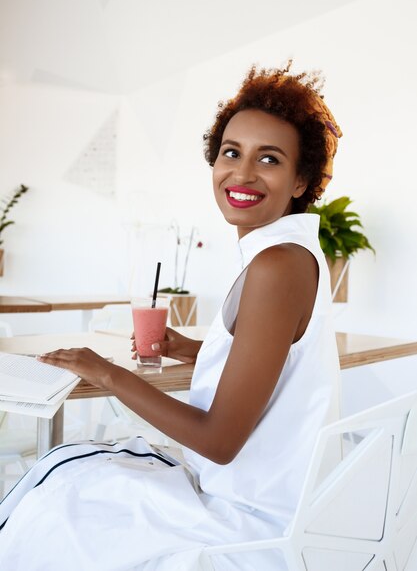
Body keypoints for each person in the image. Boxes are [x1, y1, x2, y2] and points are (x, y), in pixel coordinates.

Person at [0, 61, 342, 570]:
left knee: (60, 497)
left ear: (300, 180)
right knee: (76, 480)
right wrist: (196, 350)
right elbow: (274, 371)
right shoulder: (287, 253)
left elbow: (220, 441)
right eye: (231, 152)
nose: (242, 173)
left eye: (268, 159)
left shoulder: (275, 266)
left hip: (249, 519)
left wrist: (108, 372)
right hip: (275, 497)